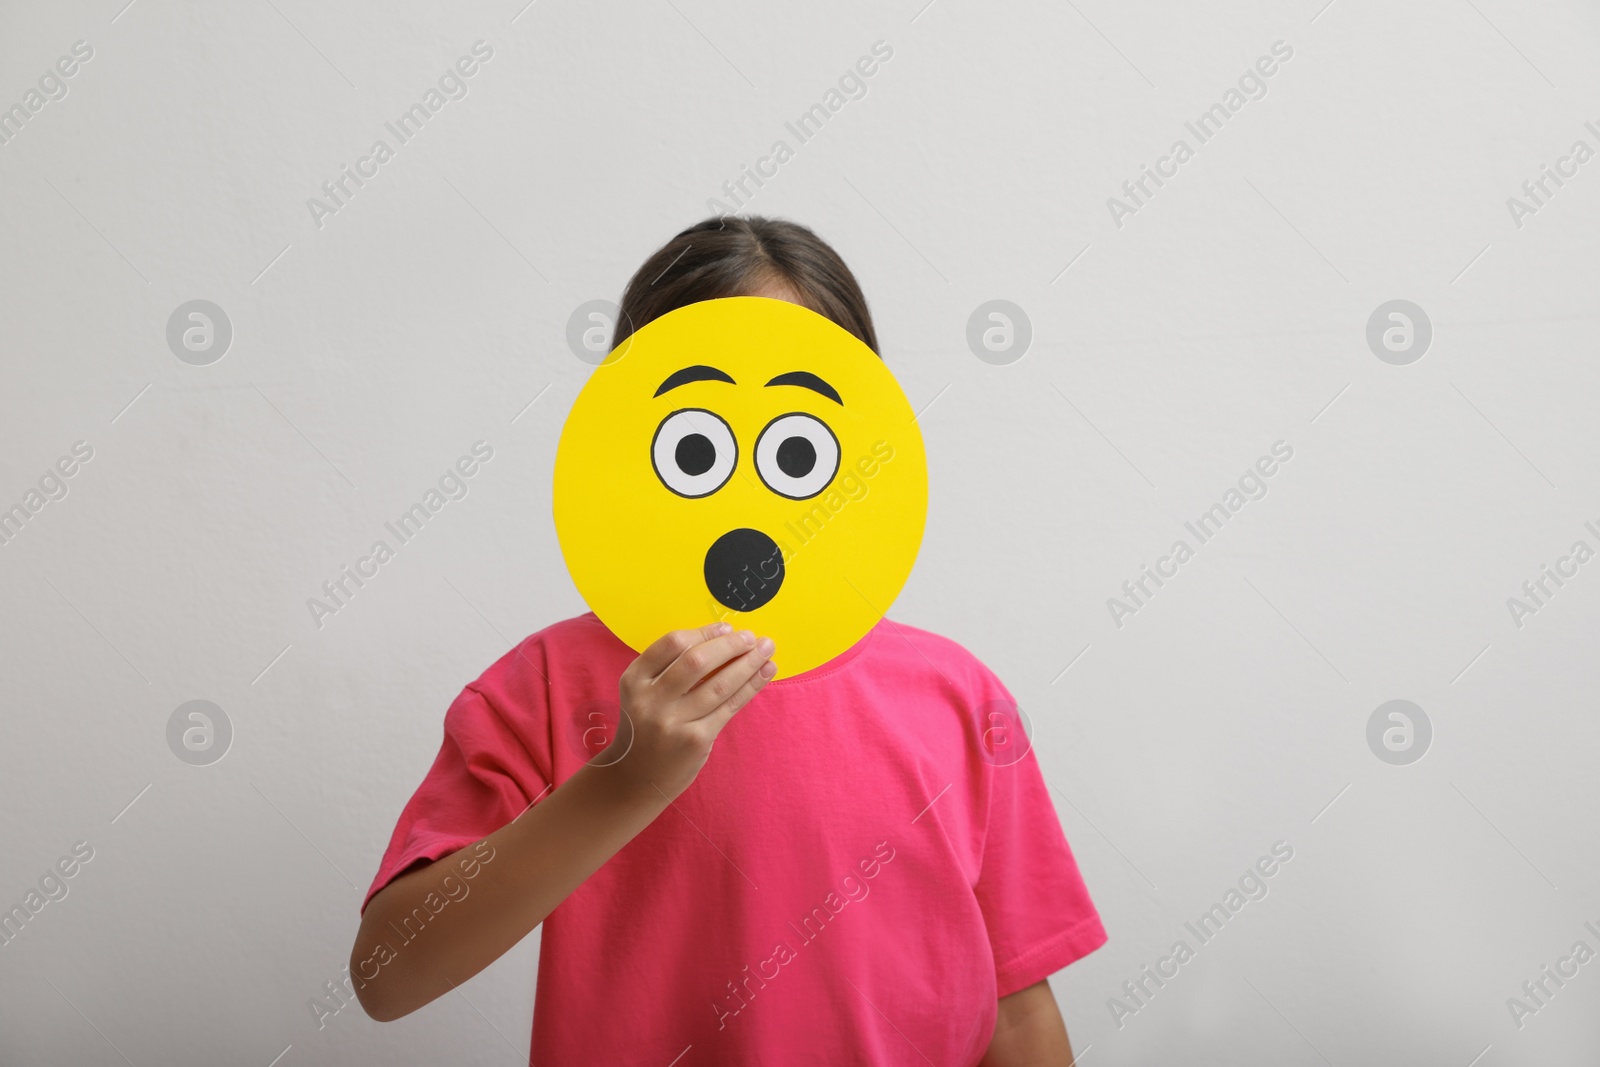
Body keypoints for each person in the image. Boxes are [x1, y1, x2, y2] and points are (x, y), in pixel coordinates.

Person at [350, 215, 1107, 1065]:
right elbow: (388, 975)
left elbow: (1015, 1007)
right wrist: (622, 783)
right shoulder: (548, 686)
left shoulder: (959, 695)